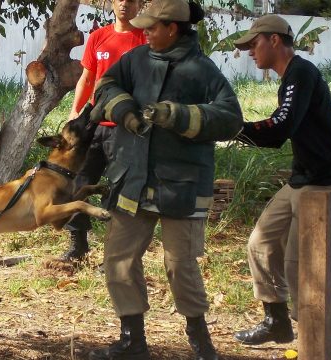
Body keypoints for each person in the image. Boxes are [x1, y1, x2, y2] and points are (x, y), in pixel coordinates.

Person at [88, 0, 243, 358]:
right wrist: (124, 109)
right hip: (132, 179)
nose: (145, 32)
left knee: (180, 264)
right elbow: (105, 85)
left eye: (152, 28)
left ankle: (201, 344)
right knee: (119, 257)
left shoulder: (202, 70)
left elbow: (231, 118)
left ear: (172, 29)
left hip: (182, 185)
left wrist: (178, 115)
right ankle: (133, 342)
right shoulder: (136, 59)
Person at [230, 14, 331, 346]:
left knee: (301, 264)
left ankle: (313, 336)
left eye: (254, 44)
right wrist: (239, 129)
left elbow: (279, 129)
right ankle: (277, 322)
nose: (250, 52)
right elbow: (279, 129)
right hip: (303, 181)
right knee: (261, 242)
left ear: (274, 40)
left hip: (324, 184)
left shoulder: (300, 72)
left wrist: (235, 127)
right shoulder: (291, 77)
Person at [60, 0, 148, 262]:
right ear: (112, 2)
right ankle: (78, 245)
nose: (124, 4)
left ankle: (115, 253)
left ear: (139, 4)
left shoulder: (145, 39)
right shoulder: (99, 36)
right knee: (79, 182)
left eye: (131, 0)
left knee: (120, 188)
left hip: (126, 127)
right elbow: (86, 78)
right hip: (94, 126)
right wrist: (75, 111)